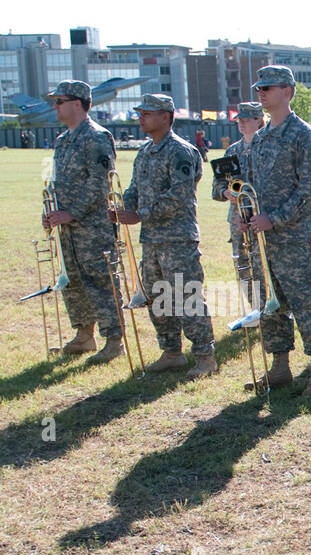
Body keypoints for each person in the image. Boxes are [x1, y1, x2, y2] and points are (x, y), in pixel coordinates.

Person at [240, 65, 311, 396]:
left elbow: (309, 190)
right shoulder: (261, 138)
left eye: (269, 87)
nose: (261, 93)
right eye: (259, 88)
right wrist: (247, 214)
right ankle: (280, 368)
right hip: (265, 240)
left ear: (288, 92)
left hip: (296, 240)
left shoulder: (303, 134)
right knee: (270, 307)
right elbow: (251, 184)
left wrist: (274, 218)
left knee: (306, 305)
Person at [113, 93, 217, 378]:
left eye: (147, 112)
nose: (141, 117)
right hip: (152, 239)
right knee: (158, 297)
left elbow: (178, 196)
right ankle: (172, 352)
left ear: (166, 117)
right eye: (141, 112)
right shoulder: (145, 152)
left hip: (178, 239)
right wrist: (124, 205)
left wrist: (140, 214)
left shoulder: (181, 152)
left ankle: (205, 356)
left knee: (187, 297)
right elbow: (134, 186)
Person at [41, 80, 121, 363]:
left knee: (101, 281)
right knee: (72, 281)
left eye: (59, 101)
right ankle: (84, 334)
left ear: (77, 103)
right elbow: (56, 183)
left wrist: (72, 212)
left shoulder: (97, 137)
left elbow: (101, 183)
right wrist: (50, 211)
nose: (55, 107)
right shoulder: (63, 141)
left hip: (92, 226)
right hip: (68, 228)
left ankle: (114, 339)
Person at [212, 102, 264, 315]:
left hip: (262, 217)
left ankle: (268, 308)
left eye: (246, 119)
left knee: (263, 264)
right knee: (243, 264)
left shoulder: (268, 148)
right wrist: (226, 193)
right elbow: (218, 184)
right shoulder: (232, 150)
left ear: (259, 120)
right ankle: (253, 308)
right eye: (239, 120)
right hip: (238, 219)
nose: (241, 123)